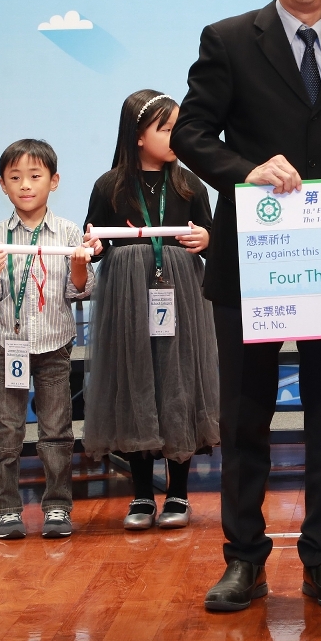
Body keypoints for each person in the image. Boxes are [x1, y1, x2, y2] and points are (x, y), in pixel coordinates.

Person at [170, 0, 321, 612]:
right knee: (244, 418)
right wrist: (247, 171)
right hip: (250, 260)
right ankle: (244, 559)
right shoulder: (230, 39)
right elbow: (192, 134)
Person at [84, 90, 217, 532]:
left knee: (179, 381)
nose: (176, 137)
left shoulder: (190, 183)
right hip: (127, 296)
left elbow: (210, 236)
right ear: (138, 135)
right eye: (166, 129)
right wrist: (94, 246)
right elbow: (96, 243)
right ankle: (141, 493)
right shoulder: (109, 186)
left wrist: (206, 239)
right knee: (135, 379)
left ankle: (179, 492)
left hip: (181, 293)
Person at [0, 139, 96, 540]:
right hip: (8, 346)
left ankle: (58, 506)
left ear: (53, 181)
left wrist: (79, 266)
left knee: (56, 431)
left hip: (54, 346)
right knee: (6, 431)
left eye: (34, 176)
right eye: (15, 178)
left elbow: (80, 290)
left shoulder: (68, 231)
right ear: (2, 185)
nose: (25, 185)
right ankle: (6, 510)